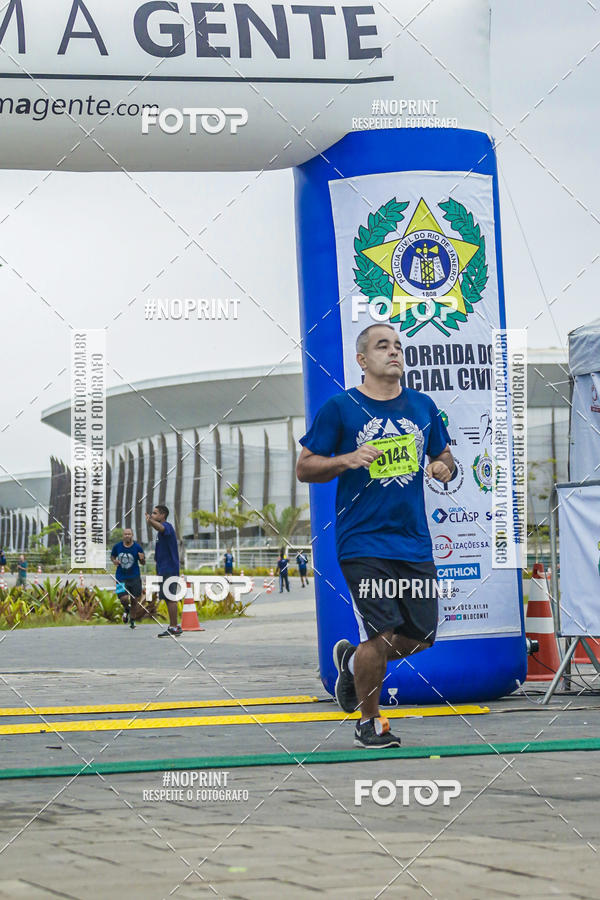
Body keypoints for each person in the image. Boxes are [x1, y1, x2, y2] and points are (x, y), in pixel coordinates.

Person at [297, 324, 455, 749]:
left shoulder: (422, 406)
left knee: (421, 637)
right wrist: (347, 459)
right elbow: (305, 467)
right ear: (362, 360)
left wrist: (444, 467)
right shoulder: (341, 408)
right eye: (382, 346)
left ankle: (351, 662)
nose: (394, 352)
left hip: (413, 541)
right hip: (362, 540)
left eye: (399, 345)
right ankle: (369, 723)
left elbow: (444, 456)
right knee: (381, 634)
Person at [146, 505, 182, 637]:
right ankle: (174, 626)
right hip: (164, 569)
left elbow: (160, 527)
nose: (152, 515)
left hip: (170, 569)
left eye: (155, 513)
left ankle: (174, 627)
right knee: (168, 598)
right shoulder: (160, 533)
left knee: (170, 597)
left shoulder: (167, 527)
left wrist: (150, 521)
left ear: (163, 515)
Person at [110, 528, 145, 629]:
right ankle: (126, 609)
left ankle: (132, 622)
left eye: (129, 534)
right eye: (125, 534)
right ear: (123, 536)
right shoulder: (117, 546)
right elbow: (112, 556)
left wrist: (142, 559)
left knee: (135, 600)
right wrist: (114, 561)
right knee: (124, 599)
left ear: (132, 535)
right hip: (121, 577)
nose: (127, 536)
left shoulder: (138, 547)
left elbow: (143, 563)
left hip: (134, 577)